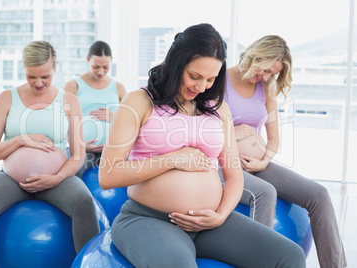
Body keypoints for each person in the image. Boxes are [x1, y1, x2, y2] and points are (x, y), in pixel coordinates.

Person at [99, 23, 306, 268]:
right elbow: (108, 175)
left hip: (210, 223)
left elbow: (233, 176)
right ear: (176, 64)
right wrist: (172, 159)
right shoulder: (140, 101)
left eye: (211, 79)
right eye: (195, 76)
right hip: (148, 219)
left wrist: (219, 216)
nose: (201, 87)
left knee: (290, 256)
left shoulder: (218, 108)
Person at [0, 41, 100, 268]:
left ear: (55, 68)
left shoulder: (69, 101)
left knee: (84, 202)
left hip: (56, 179)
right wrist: (21, 139)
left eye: (45, 77)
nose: (39, 83)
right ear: (24, 69)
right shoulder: (7, 98)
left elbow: (77, 155)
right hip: (11, 180)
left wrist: (56, 178)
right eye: (31, 76)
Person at [224, 35, 347, 268]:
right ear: (255, 55)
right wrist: (232, 132)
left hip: (257, 165)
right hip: (224, 163)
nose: (267, 77)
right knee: (266, 193)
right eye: (266, 69)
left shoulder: (266, 88)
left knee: (319, 194)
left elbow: (274, 139)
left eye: (273, 74)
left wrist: (263, 162)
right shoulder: (220, 81)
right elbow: (200, 128)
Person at [64, 40, 126, 177]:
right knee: (69, 172)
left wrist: (115, 117)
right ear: (87, 60)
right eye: (96, 67)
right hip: (82, 151)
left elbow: (131, 121)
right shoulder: (73, 86)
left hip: (113, 151)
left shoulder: (119, 88)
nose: (101, 72)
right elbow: (63, 122)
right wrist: (79, 145)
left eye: (106, 67)